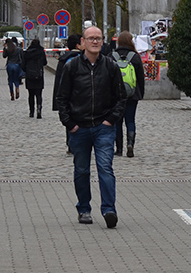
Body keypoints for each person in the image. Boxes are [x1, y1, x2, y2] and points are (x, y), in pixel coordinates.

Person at [55, 27, 128, 228]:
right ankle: (84, 209)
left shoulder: (110, 67)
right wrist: (70, 123)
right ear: (83, 42)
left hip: (104, 126)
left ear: (103, 41)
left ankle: (109, 210)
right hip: (80, 127)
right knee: (81, 170)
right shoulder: (72, 67)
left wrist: (111, 119)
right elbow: (62, 98)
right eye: (91, 38)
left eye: (98, 38)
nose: (95, 42)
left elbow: (121, 97)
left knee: (105, 168)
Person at [114, 31, 146, 158]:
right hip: (132, 94)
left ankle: (119, 148)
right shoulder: (135, 57)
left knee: (117, 121)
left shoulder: (112, 56)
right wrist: (140, 93)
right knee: (130, 120)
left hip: (116, 95)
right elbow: (140, 78)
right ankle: (130, 144)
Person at [53, 33, 82, 157]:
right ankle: (77, 144)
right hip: (78, 94)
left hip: (66, 96)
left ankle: (70, 144)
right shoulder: (79, 59)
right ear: (78, 45)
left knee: (69, 120)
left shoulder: (63, 59)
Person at [22, 38, 47, 118]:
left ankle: (31, 111)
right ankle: (39, 108)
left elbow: (22, 64)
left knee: (31, 94)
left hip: (29, 76)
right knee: (39, 94)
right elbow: (45, 63)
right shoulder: (41, 52)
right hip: (39, 75)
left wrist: (27, 70)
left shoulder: (27, 53)